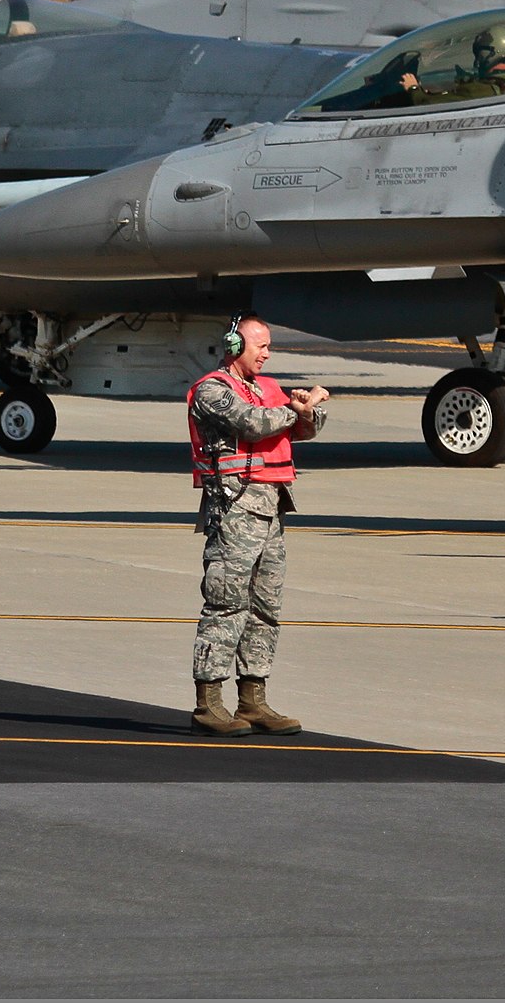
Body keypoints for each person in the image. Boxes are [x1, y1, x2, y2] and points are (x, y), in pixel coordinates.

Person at [185, 313, 329, 737]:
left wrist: (306, 411)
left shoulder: (268, 389)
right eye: (259, 345)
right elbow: (252, 422)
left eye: (268, 345)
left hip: (271, 507)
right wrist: (293, 408)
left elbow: (304, 429)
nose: (267, 353)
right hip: (234, 506)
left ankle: (253, 699)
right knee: (226, 601)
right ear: (234, 347)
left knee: (265, 607)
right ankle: (208, 702)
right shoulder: (213, 391)